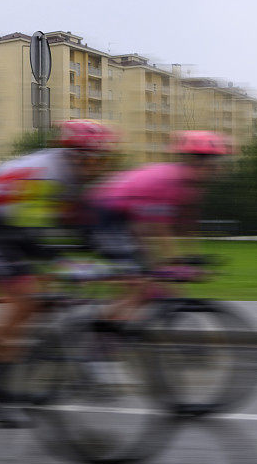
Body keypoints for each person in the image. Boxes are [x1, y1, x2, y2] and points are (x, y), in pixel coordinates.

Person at [0, 120, 114, 422]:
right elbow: (30, 234)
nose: (100, 165)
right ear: (76, 155)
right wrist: (66, 262)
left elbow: (81, 230)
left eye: (104, 158)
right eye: (96, 158)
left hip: (9, 226)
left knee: (41, 298)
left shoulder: (73, 177)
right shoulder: (49, 173)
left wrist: (106, 257)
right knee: (24, 297)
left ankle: (0, 362)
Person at [88, 130, 231, 322]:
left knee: (156, 282)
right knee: (141, 284)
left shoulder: (193, 187)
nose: (214, 169)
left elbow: (186, 227)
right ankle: (100, 330)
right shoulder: (168, 181)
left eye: (215, 164)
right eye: (210, 164)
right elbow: (158, 228)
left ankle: (123, 327)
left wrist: (194, 258)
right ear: (193, 162)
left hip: (126, 217)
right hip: (105, 212)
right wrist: (176, 262)